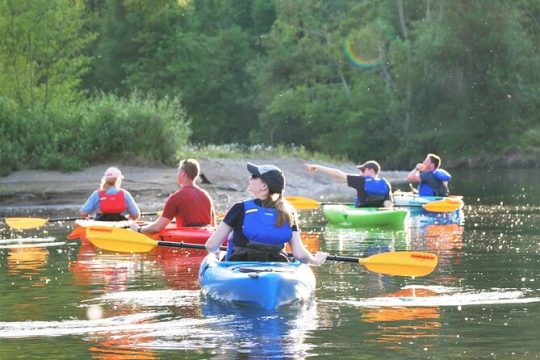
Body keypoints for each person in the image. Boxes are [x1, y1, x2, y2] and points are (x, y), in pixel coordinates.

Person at [205, 163, 327, 265]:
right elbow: (299, 254)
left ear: (264, 186)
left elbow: (211, 245)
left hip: (239, 267)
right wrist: (315, 260)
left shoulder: (240, 208)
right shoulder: (288, 213)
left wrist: (216, 256)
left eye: (254, 176)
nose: (249, 178)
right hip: (277, 268)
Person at [130, 159, 215, 234]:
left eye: (178, 171)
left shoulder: (177, 197)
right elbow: (213, 225)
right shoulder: (206, 195)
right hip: (205, 236)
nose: (177, 174)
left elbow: (158, 227)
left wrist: (139, 230)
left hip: (186, 239)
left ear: (183, 174)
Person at [305, 161, 393, 208]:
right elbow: (387, 203)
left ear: (371, 171)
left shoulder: (360, 180)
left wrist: (317, 167)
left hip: (362, 214)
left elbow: (337, 174)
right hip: (380, 213)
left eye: (363, 170)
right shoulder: (385, 183)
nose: (361, 173)